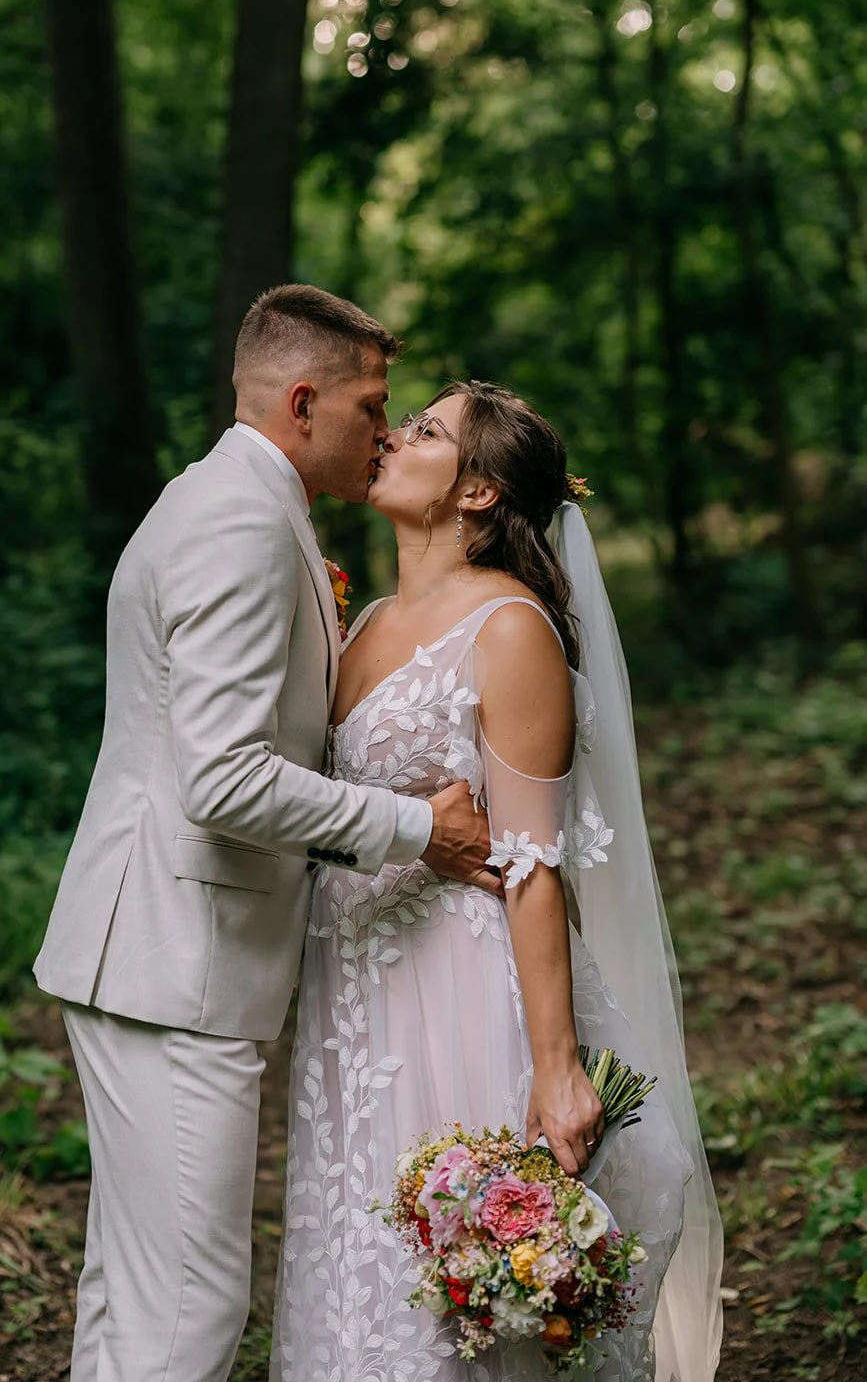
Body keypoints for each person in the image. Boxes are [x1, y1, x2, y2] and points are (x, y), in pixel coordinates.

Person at [33, 287, 502, 1382]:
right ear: (302, 402)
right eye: (370, 405)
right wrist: (416, 827)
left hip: (158, 952)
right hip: (172, 963)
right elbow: (223, 778)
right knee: (189, 1306)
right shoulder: (240, 522)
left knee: (138, 1292)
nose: (382, 431)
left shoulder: (227, 499)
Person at [271, 382, 724, 1382]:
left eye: (425, 430)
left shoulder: (510, 628)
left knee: (462, 1295)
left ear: (476, 490)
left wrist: (556, 1068)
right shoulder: (365, 621)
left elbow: (530, 862)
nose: (393, 435)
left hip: (458, 992)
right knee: (359, 1262)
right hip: (355, 992)